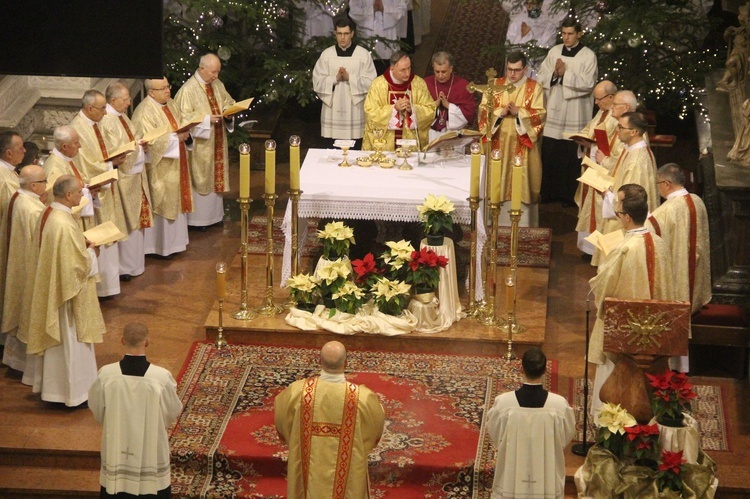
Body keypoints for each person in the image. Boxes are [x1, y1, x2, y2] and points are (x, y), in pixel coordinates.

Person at [588, 184, 680, 417]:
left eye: (618, 210)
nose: (617, 213)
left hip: (625, 331)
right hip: (655, 329)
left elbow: (603, 288)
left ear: (627, 217)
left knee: (618, 381)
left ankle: (611, 423)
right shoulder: (658, 242)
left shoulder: (624, 248)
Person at [26, 175, 105, 407]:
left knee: (59, 347)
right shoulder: (61, 221)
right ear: (68, 195)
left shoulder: (50, 212)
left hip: (54, 287)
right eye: (79, 192)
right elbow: (75, 266)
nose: (82, 196)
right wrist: (92, 253)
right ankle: (73, 394)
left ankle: (53, 391)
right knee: (70, 343)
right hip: (66, 297)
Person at [274, 340, 385, 497]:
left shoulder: (297, 392)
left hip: (307, 472)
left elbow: (281, 419)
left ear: (319, 361)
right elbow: (374, 429)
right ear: (346, 363)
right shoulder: (362, 398)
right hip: (348, 475)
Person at [89, 322, 183, 498]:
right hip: (151, 446)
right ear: (147, 342)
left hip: (116, 445)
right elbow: (171, 410)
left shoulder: (106, 375)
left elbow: (96, 407)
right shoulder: (160, 378)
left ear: (122, 340)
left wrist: (112, 422)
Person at [485, 347, 575, 498]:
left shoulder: (503, 403)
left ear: (522, 369)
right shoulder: (559, 405)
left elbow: (496, 434)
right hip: (546, 477)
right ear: (545, 370)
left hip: (511, 476)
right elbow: (565, 437)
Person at [70, 89, 129, 299]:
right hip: (92, 192)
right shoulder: (77, 128)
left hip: (105, 187)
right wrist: (110, 164)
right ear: (89, 108)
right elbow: (84, 163)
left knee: (110, 234)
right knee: (99, 235)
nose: (106, 112)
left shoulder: (96, 123)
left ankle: (110, 285)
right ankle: (102, 288)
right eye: (102, 108)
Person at [477, 51, 545, 226]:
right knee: (495, 182)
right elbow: (483, 111)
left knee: (520, 182)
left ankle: (521, 226)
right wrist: (501, 112)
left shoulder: (534, 87)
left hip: (522, 146)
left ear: (526, 69)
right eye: (509, 69)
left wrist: (519, 113)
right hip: (498, 145)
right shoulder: (495, 85)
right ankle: (491, 223)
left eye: (517, 70)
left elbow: (539, 115)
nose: (512, 74)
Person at [537, 17, 597, 205]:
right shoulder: (554, 51)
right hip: (555, 108)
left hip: (575, 111)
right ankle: (548, 193)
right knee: (551, 151)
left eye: (570, 34)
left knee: (570, 154)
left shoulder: (588, 55)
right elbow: (542, 75)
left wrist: (565, 74)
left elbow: (588, 83)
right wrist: (555, 74)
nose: (566, 37)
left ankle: (569, 196)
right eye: (563, 33)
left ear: (579, 34)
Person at [131, 77, 193, 258]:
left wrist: (187, 130)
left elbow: (181, 123)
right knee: (163, 203)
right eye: (163, 88)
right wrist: (176, 138)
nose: (168, 91)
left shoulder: (170, 104)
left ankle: (176, 244)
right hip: (159, 169)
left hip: (176, 163)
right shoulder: (144, 112)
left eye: (168, 87)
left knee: (176, 202)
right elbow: (148, 141)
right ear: (151, 92)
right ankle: (159, 248)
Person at [174, 53, 235, 230]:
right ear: (202, 69)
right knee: (202, 177)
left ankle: (215, 217)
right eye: (213, 72)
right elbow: (183, 119)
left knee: (215, 177)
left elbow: (227, 101)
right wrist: (207, 120)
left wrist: (228, 112)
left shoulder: (216, 84)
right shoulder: (188, 90)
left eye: (218, 72)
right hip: (200, 146)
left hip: (216, 140)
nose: (216, 76)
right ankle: (198, 221)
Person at [101, 81, 153, 281]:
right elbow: (116, 153)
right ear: (113, 100)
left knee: (136, 221)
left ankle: (134, 265)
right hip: (122, 180)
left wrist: (141, 145)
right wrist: (139, 148)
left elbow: (131, 140)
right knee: (125, 222)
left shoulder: (121, 117)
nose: (129, 103)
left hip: (133, 178)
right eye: (125, 99)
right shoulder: (107, 121)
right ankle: (126, 267)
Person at [592, 111, 658, 266]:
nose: (617, 131)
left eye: (621, 128)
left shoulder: (637, 160)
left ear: (634, 132)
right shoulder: (631, 149)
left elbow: (630, 199)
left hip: (625, 223)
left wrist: (606, 194)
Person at [646, 163, 711, 315]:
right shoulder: (697, 201)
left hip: (679, 270)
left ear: (667, 184)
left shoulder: (667, 210)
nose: (658, 187)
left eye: (658, 183)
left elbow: (649, 236)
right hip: (695, 266)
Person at [1, 165, 48, 375]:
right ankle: (23, 366)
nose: (47, 186)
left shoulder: (18, 197)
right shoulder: (32, 209)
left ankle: (14, 362)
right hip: (29, 270)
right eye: (45, 181)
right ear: (34, 185)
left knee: (19, 311)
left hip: (18, 266)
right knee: (27, 313)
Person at [312, 17, 377, 150]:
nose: (342, 37)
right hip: (332, 110)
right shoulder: (327, 55)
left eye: (346, 34)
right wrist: (334, 79)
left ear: (352, 33)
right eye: (339, 34)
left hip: (354, 110)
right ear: (335, 34)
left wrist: (350, 78)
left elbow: (372, 82)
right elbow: (317, 81)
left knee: (354, 150)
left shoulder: (363, 55)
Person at [573, 80, 619, 255]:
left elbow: (617, 148)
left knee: (600, 211)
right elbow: (589, 131)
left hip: (604, 171)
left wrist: (593, 148)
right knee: (589, 209)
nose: (596, 103)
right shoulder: (601, 112)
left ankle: (599, 252)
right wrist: (583, 140)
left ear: (611, 97)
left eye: (599, 99)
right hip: (592, 167)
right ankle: (590, 249)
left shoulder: (616, 118)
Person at [362, 50, 435, 152]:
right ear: (392, 68)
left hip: (410, 146)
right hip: (385, 146)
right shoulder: (378, 85)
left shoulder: (418, 84)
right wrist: (394, 109)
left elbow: (431, 110)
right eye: (403, 70)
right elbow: (370, 112)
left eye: (409, 68)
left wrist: (413, 109)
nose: (407, 73)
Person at [42, 126, 97, 231]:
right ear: (65, 146)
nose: (80, 146)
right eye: (76, 143)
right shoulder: (55, 168)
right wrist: (87, 193)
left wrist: (89, 189)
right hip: (67, 225)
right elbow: (59, 201)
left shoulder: (66, 159)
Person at [0, 131, 23, 347]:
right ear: (8, 153)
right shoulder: (2, 176)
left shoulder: (10, 173)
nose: (24, 151)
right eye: (20, 148)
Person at [423, 51, 477, 143]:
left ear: (451, 69)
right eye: (437, 71)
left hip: (453, 132)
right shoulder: (424, 84)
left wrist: (448, 105)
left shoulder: (463, 85)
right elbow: (418, 110)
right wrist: (434, 105)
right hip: (430, 132)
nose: (440, 75)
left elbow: (468, 114)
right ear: (433, 68)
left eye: (444, 72)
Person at [349, 0, 407, 73]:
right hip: (367, 36)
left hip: (388, 36)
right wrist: (371, 9)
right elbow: (353, 12)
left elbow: (401, 9)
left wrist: (384, 8)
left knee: (389, 72)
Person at [594, 90, 639, 171]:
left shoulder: (631, 129)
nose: (611, 107)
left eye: (615, 104)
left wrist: (604, 161)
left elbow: (626, 162)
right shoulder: (622, 125)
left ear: (626, 107)